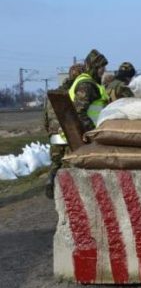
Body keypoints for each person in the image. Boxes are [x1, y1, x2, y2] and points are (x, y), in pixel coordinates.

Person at [44, 63, 85, 198]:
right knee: (68, 162)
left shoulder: (52, 93)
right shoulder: (75, 93)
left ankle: (51, 180)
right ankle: (68, 191)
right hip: (66, 132)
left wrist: (49, 131)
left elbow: (45, 116)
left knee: (56, 161)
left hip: (54, 133)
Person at [68, 49, 109, 133]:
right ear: (94, 68)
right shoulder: (86, 85)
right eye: (101, 67)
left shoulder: (91, 83)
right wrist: (92, 131)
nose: (104, 70)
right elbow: (78, 112)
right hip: (84, 135)